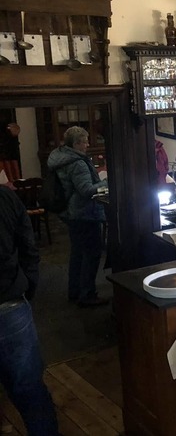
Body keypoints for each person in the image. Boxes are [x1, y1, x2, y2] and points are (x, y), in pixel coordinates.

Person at [0, 185, 59, 436]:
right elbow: (28, 246)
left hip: (10, 301)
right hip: (9, 302)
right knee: (28, 386)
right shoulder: (4, 196)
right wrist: (27, 286)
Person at [47, 126, 109, 307]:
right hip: (84, 213)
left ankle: (74, 291)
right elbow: (86, 190)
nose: (88, 144)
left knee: (77, 254)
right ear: (76, 144)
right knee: (91, 255)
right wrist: (106, 182)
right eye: (85, 141)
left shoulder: (60, 157)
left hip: (70, 212)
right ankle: (87, 294)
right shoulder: (77, 163)